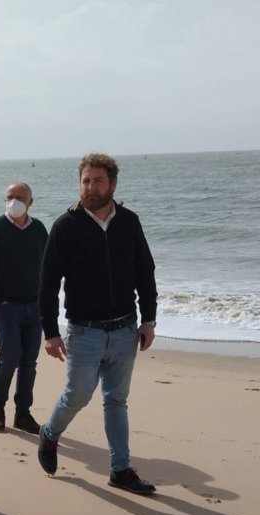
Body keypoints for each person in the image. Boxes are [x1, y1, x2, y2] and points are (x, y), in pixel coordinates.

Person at [36, 153, 159, 496]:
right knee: (77, 396)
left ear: (113, 184)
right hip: (83, 332)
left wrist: (149, 319)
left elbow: (145, 272)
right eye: (86, 181)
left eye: (98, 181)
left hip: (125, 330)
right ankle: (50, 433)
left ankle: (120, 470)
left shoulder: (129, 222)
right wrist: (50, 332)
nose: (91, 187)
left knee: (116, 400)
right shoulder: (65, 226)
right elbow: (47, 283)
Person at [0, 182, 48, 434]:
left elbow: (49, 264)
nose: (14, 201)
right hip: (6, 307)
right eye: (9, 197)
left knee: (29, 361)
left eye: (20, 197)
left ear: (30, 202)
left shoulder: (38, 229)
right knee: (9, 357)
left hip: (34, 305)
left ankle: (23, 413)